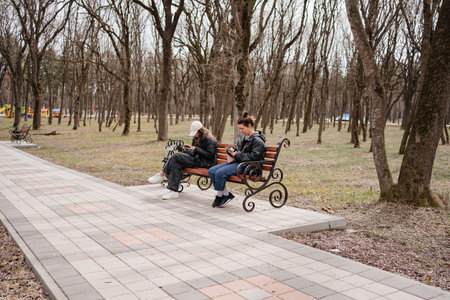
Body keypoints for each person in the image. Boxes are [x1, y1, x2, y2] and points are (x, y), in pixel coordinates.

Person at [208, 112, 266, 208]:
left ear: (250, 126)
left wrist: (236, 154)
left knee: (219, 173)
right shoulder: (243, 137)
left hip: (249, 167)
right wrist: (231, 150)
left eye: (242, 128)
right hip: (239, 162)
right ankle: (226, 194)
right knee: (212, 171)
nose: (241, 131)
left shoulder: (258, 140)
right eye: (239, 129)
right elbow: (237, 148)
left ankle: (219, 195)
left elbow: (254, 157)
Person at [148, 121, 217, 199]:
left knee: (176, 155)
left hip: (206, 163)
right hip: (197, 160)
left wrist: (196, 149)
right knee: (176, 164)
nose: (194, 135)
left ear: (200, 131)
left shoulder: (210, 140)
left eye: (195, 133)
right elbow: (194, 153)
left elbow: (210, 155)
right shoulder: (196, 138)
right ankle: (173, 191)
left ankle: (161, 173)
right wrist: (187, 150)